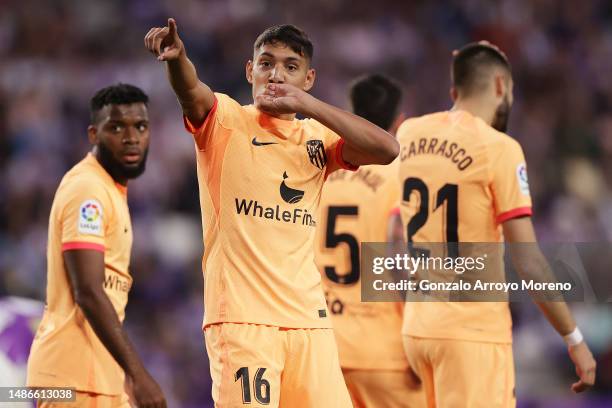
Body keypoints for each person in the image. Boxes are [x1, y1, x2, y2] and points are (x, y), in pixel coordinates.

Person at [144, 18, 398, 407]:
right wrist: (177, 60)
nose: (276, 75)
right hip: (244, 324)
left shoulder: (319, 139)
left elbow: (387, 149)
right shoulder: (225, 121)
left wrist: (307, 106)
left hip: (309, 323)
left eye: (290, 67)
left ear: (308, 79)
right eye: (266, 64)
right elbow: (192, 92)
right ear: (250, 70)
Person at [394, 41, 596, 407]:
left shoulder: (409, 133)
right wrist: (574, 339)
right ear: (501, 86)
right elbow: (529, 261)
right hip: (471, 334)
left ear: (455, 91)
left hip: (417, 329)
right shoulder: (500, 148)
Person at [27, 84, 166, 408]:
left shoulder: (109, 189)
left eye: (140, 127)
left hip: (98, 378)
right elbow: (88, 290)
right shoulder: (88, 190)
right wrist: (138, 374)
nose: (131, 137)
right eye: (116, 127)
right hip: (73, 379)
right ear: (93, 134)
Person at [314, 74, 424, 407]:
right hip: (386, 355)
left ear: (352, 114)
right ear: (399, 121)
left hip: (324, 350)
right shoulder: (404, 176)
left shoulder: (320, 171)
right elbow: (404, 259)